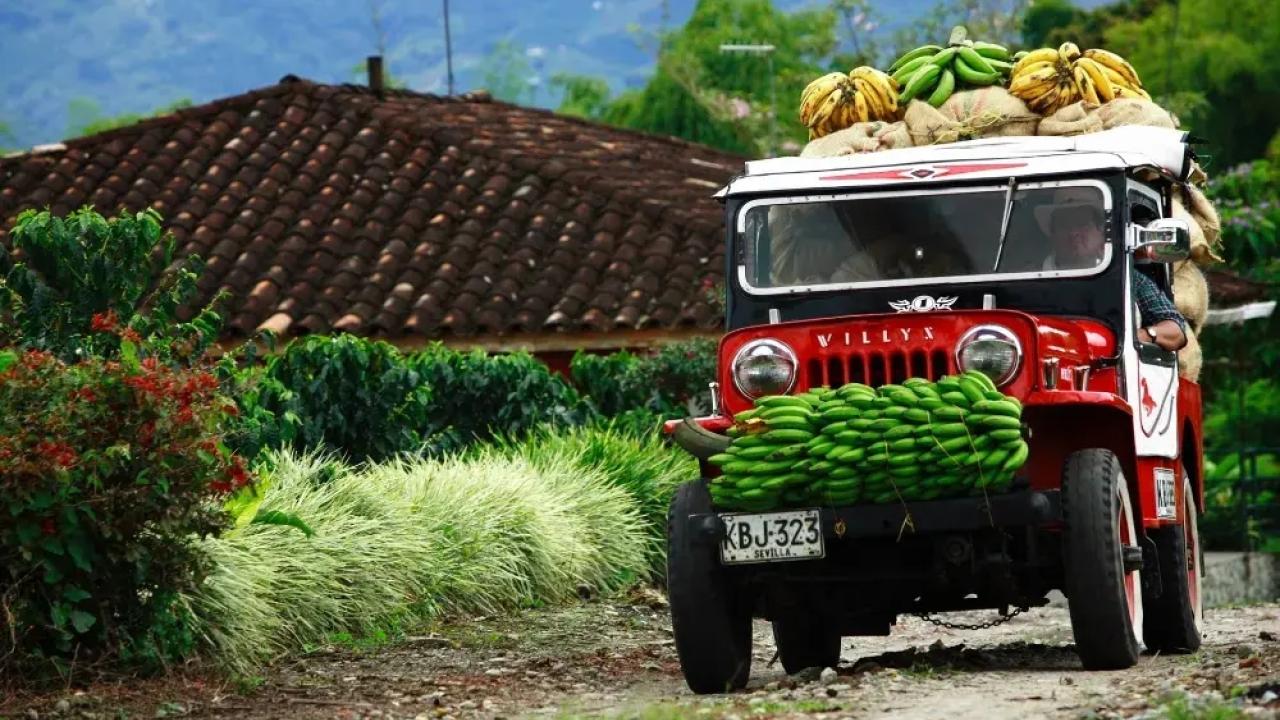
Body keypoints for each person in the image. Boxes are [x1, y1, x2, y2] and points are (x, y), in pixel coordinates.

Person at [1038, 194, 1188, 352]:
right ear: (1052, 235)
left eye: (1083, 224)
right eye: (1065, 225)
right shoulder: (1031, 278)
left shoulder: (1129, 278)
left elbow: (1176, 330)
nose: (1074, 233)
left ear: (1101, 233)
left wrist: (1139, 337)